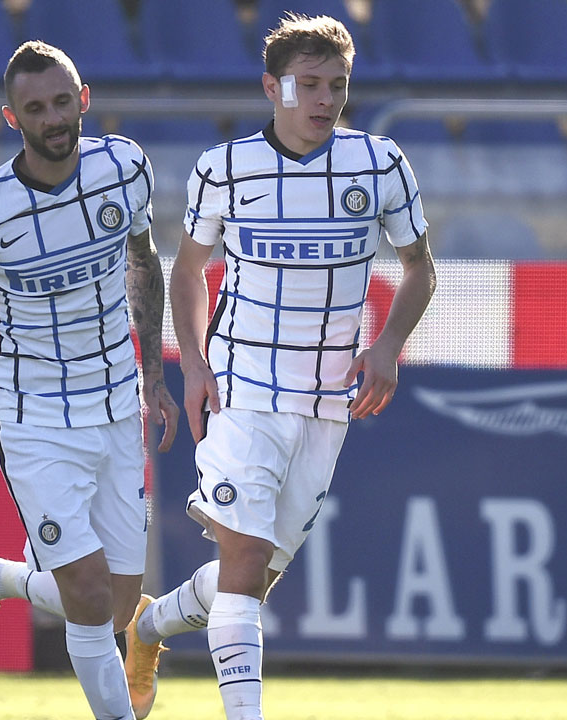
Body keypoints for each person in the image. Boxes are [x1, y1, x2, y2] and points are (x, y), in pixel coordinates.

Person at [122, 13, 436, 720]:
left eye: (338, 86)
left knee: (251, 580)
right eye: (310, 85)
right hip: (244, 390)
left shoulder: (380, 164)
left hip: (328, 402)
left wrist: (387, 345)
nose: (326, 100)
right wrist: (196, 364)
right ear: (273, 86)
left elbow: (420, 269)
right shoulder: (225, 168)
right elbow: (190, 272)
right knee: (242, 557)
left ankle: (147, 628)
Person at [0, 40, 180, 720]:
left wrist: (153, 374)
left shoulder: (124, 168)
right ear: (12, 118)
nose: (53, 118)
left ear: (83, 99)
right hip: (32, 414)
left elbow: (143, 264)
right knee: (91, 598)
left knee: (119, 604)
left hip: (117, 401)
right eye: (35, 108)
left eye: (62, 102)